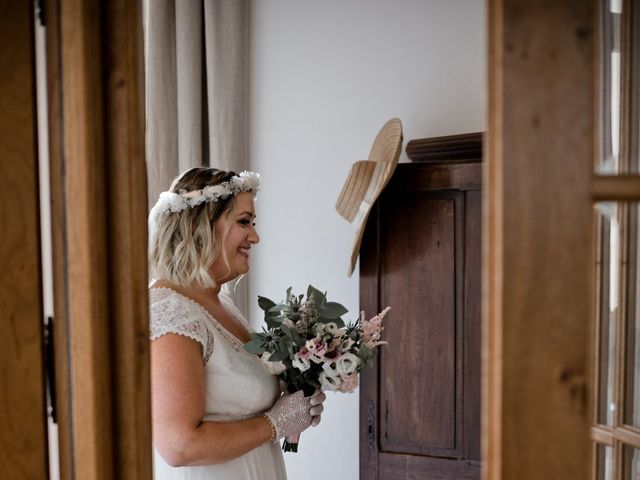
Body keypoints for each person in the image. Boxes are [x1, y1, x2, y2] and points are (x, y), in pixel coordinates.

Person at [148, 167, 325, 479]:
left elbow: (236, 397)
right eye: (244, 222)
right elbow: (180, 446)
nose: (255, 236)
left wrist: (296, 398)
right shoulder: (170, 313)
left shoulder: (221, 303)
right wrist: (274, 424)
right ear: (200, 226)